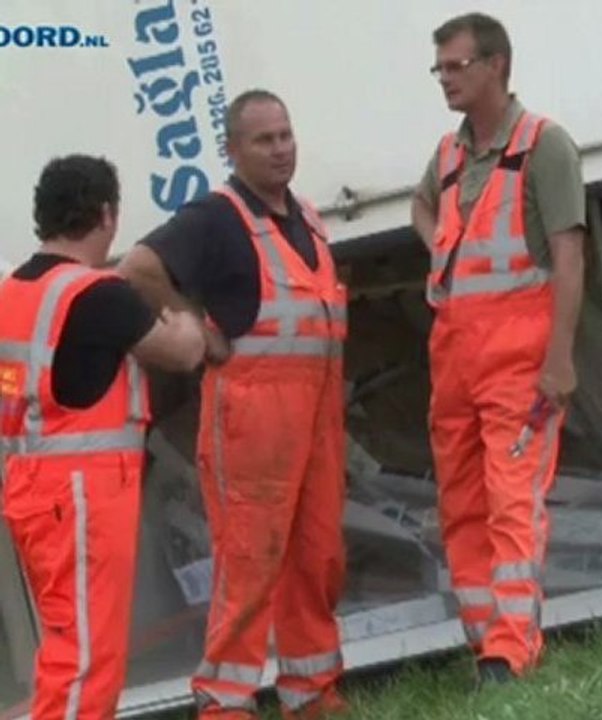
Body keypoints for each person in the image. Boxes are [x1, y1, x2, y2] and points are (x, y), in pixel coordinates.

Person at [118, 89, 348, 718]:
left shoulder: (305, 216)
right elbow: (138, 269)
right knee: (250, 563)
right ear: (233, 149)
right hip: (252, 419)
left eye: (285, 135)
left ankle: (312, 693)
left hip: (316, 419)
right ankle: (226, 703)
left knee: (317, 556)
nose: (280, 149)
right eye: (263, 140)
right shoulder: (218, 218)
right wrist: (199, 328)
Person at [411, 13, 587, 685]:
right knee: (461, 499)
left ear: (496, 66)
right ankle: (485, 638)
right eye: (441, 69)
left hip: (520, 354)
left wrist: (560, 359)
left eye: (456, 67)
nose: (446, 80)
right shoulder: (451, 154)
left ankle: (511, 650)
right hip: (455, 352)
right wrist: (442, 251)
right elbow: (421, 209)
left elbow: (571, 258)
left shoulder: (545, 146)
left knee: (512, 498)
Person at [0, 154, 206, 719]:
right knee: (86, 658)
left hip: (36, 490)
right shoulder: (96, 295)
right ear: (107, 215)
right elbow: (184, 352)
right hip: (81, 498)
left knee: (69, 647)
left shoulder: (13, 291)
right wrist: (187, 320)